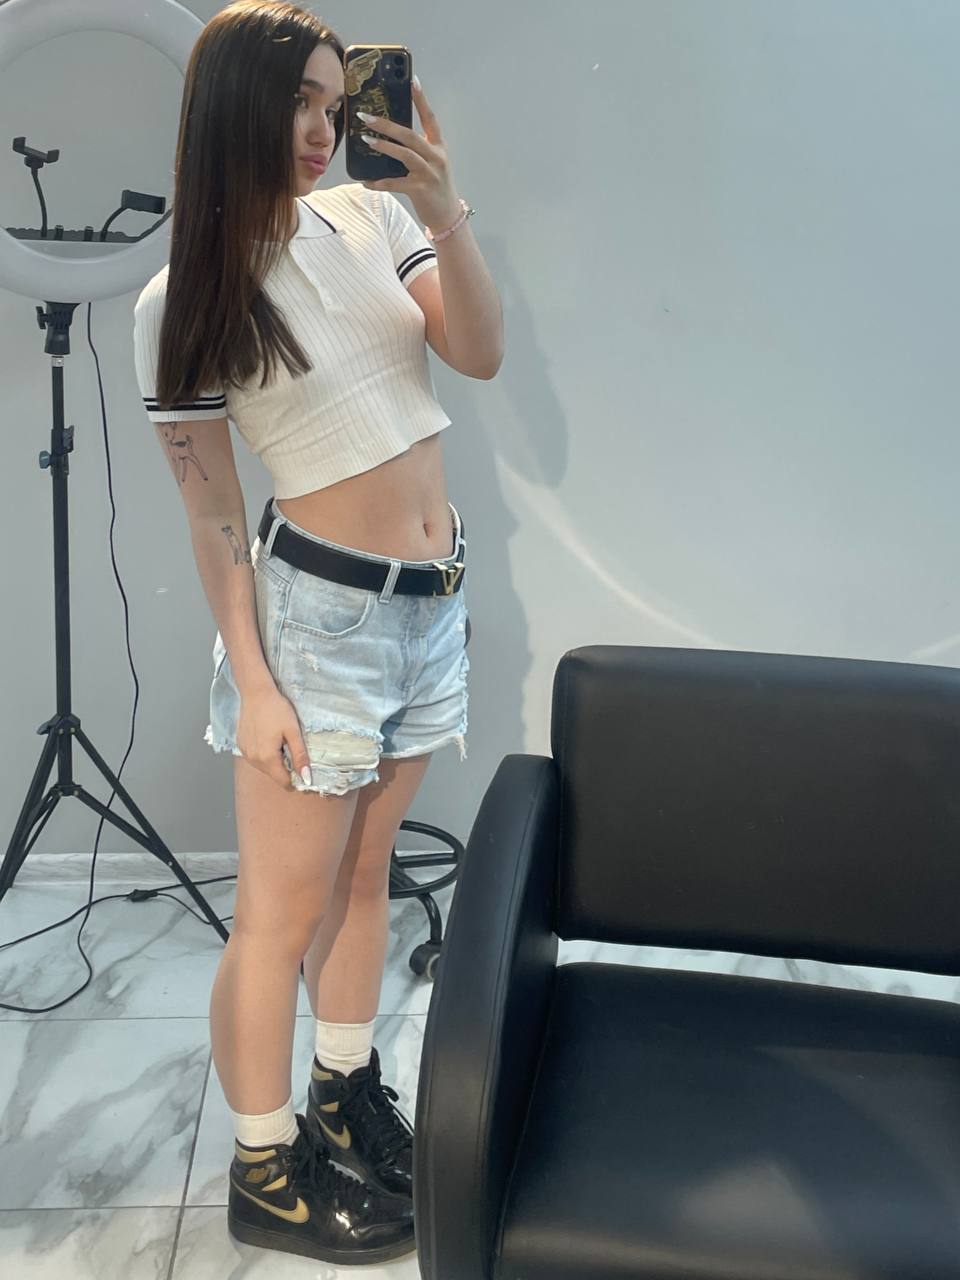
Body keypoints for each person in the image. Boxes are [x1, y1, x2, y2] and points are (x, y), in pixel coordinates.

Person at [132, 1, 503, 1265]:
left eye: (334, 105)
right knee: (278, 913)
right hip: (320, 622)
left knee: (363, 876)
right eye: (297, 99)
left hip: (428, 607)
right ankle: (263, 1164)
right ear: (232, 103)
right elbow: (212, 516)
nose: (320, 127)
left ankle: (344, 1088)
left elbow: (480, 353)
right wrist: (255, 678)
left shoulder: (374, 219)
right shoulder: (182, 296)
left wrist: (444, 206)